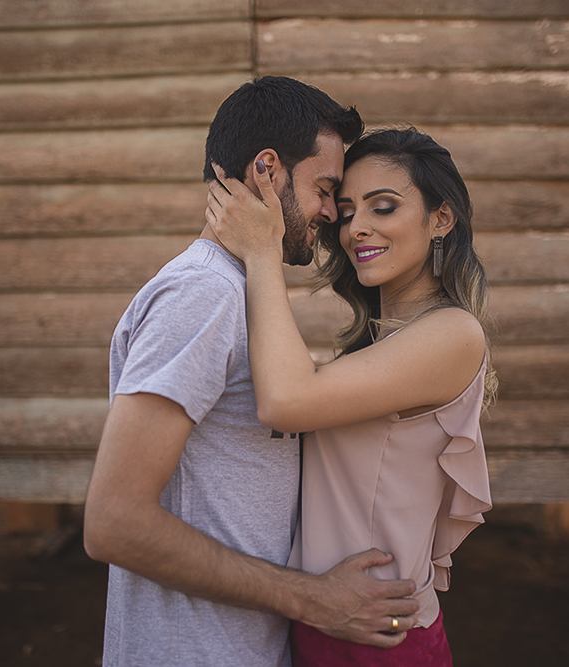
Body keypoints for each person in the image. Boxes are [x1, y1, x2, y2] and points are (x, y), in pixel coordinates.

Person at [83, 78, 420, 667]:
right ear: (267, 170)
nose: (332, 214)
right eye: (324, 189)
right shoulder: (203, 294)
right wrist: (312, 599)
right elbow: (114, 521)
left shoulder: (242, 293)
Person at [205, 127, 497, 666]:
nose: (356, 227)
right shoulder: (380, 345)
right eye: (344, 211)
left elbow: (286, 402)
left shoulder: (454, 333)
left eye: (383, 207)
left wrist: (262, 250)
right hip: (324, 622)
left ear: (441, 219)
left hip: (379, 638)